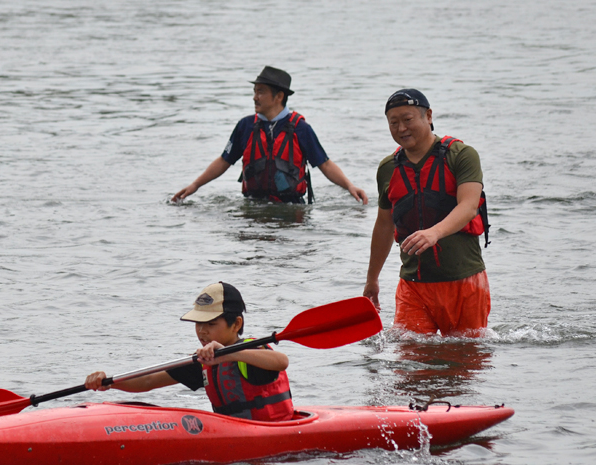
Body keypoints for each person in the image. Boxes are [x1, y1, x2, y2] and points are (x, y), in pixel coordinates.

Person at [363, 89, 491, 337]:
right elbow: (383, 225)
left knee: (463, 364)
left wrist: (435, 233)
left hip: (464, 282)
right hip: (413, 286)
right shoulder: (388, 168)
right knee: (410, 366)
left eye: (407, 119)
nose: (401, 128)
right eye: (394, 122)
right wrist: (372, 279)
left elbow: (468, 206)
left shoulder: (462, 155)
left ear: (428, 116)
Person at [84, 282, 294, 422]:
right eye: (198, 324)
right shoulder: (205, 361)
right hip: (235, 434)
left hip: (272, 432)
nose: (202, 331)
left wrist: (228, 354)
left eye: (210, 323)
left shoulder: (251, 351)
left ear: (236, 324)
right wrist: (109, 383)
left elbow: (280, 361)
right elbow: (149, 381)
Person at [171, 66, 368, 205]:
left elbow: (325, 164)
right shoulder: (246, 126)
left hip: (292, 208)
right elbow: (224, 160)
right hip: (252, 204)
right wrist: (195, 185)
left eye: (261, 92)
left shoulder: (301, 128)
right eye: (255, 91)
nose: (255, 97)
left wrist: (350, 186)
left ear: (279, 96)